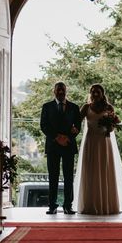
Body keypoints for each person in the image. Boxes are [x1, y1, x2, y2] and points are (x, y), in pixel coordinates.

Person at [74, 84, 122, 214]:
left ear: (102, 93)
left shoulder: (109, 107)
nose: (95, 94)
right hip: (91, 141)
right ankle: (90, 205)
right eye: (93, 92)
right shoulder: (86, 107)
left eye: (97, 91)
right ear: (90, 94)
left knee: (104, 170)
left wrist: (110, 126)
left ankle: (106, 205)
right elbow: (76, 121)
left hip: (104, 141)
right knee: (90, 172)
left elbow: (113, 127)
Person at [40, 82, 81, 214]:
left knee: (69, 177)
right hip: (53, 146)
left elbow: (78, 126)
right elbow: (44, 125)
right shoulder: (46, 107)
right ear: (54, 91)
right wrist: (57, 137)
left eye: (63, 89)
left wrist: (68, 137)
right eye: (58, 90)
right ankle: (52, 206)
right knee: (53, 176)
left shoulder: (74, 107)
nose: (61, 92)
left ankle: (68, 206)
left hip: (68, 145)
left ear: (66, 91)